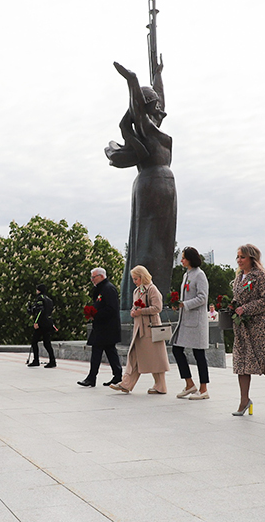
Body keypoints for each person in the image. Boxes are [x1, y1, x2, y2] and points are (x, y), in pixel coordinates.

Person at [105, 60, 177, 313]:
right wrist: (133, 80)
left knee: (163, 243)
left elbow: (157, 103)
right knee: (147, 243)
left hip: (163, 185)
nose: (160, 109)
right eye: (154, 105)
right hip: (151, 185)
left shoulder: (155, 128)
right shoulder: (146, 128)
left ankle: (158, 294)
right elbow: (139, 108)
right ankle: (141, 295)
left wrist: (158, 76)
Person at [230, 244, 265, 415]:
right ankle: (244, 401)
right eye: (238, 257)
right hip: (241, 326)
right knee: (241, 362)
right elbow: (238, 298)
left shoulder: (260, 276)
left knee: (261, 361)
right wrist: (232, 305)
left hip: (257, 325)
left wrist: (246, 308)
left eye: (243, 257)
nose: (239, 260)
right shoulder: (240, 276)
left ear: (252, 258)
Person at [110, 265, 169, 394]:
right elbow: (134, 307)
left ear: (142, 277)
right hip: (139, 329)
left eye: (136, 278)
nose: (134, 281)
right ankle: (127, 383)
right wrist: (133, 311)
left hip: (150, 329)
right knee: (135, 356)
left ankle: (159, 385)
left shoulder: (152, 289)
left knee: (155, 358)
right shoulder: (137, 291)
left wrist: (141, 311)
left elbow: (157, 308)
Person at [173, 247, 211, 400]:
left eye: (183, 257)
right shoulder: (186, 275)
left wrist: (185, 304)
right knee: (177, 350)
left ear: (190, 259)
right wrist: (179, 304)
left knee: (199, 353)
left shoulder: (200, 275)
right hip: (185, 320)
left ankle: (203, 389)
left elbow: (203, 298)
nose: (181, 260)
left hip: (196, 322)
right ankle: (189, 384)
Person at [78, 268, 122, 388]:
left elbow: (111, 309)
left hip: (107, 327)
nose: (92, 280)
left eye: (94, 277)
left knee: (97, 351)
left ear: (101, 276)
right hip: (102, 327)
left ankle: (92, 378)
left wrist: (95, 314)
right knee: (110, 351)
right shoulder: (101, 288)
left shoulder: (108, 288)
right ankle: (117, 376)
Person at [27, 285, 56, 368]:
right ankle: (52, 360)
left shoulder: (40, 298)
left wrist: (36, 322)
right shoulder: (49, 299)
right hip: (48, 323)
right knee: (47, 343)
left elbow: (40, 311)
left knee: (34, 341)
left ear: (39, 290)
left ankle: (36, 360)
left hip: (41, 323)